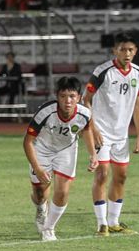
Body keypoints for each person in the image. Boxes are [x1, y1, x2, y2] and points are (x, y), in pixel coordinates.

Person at [83, 32, 139, 237]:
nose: (127, 53)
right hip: (102, 133)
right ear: (114, 50)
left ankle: (114, 222)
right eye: (123, 49)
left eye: (131, 50)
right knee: (102, 174)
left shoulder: (137, 72)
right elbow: (86, 100)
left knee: (122, 176)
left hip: (121, 136)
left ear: (135, 51)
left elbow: (137, 103)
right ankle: (102, 224)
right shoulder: (103, 71)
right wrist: (94, 128)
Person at [24, 77, 98, 241]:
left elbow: (86, 130)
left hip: (66, 149)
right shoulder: (45, 112)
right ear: (57, 96)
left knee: (63, 191)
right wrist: (37, 168)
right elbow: (27, 141)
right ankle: (41, 208)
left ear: (79, 97)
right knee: (39, 192)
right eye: (63, 96)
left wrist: (93, 154)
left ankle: (49, 229)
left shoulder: (84, 114)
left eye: (72, 96)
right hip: (42, 149)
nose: (68, 101)